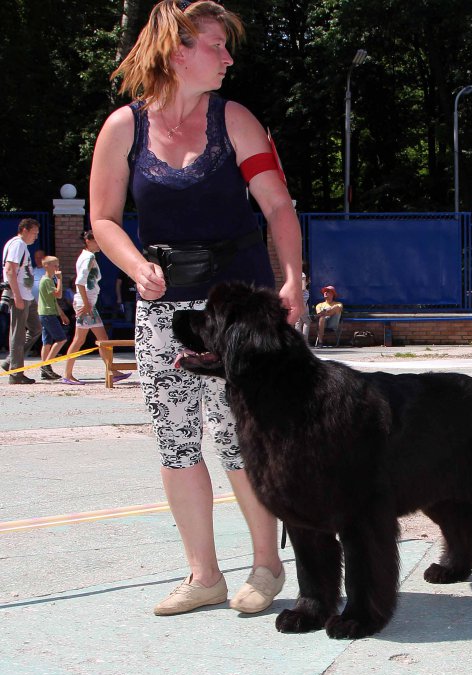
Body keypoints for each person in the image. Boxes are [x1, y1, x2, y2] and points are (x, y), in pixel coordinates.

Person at [89, 0, 303, 616]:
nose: (229, 58)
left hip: (239, 311)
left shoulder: (236, 120)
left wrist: (292, 278)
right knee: (176, 441)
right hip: (161, 313)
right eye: (217, 46)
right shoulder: (122, 129)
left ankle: (267, 565)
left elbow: (278, 208)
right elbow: (102, 219)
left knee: (242, 436)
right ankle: (203, 575)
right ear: (179, 52)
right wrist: (135, 265)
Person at [62, 230, 131, 386]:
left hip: (88, 303)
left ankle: (112, 371)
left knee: (103, 339)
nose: (100, 244)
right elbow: (79, 282)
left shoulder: (85, 256)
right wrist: (86, 304)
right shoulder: (89, 257)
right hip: (86, 303)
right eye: (98, 241)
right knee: (79, 340)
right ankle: (67, 374)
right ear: (89, 241)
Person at [1, 218, 41, 384]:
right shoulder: (18, 244)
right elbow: (10, 270)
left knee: (36, 328)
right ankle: (16, 373)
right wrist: (16, 296)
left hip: (26, 296)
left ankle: (11, 361)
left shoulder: (20, 245)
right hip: (20, 296)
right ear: (25, 229)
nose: (36, 237)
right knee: (17, 334)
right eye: (34, 233)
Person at [37, 256, 69, 380]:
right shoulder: (47, 280)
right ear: (46, 266)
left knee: (47, 342)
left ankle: (45, 371)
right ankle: (46, 365)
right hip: (48, 314)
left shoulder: (48, 280)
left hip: (47, 313)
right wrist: (60, 280)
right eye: (55, 265)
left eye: (58, 265)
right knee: (61, 339)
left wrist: (61, 314)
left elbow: (53, 300)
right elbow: (59, 295)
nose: (57, 268)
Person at [294, 269, 311, 341]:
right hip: (302, 302)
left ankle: (297, 340)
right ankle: (304, 341)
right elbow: (303, 288)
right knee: (307, 321)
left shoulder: (294, 273)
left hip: (296, 301)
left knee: (298, 321)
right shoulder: (302, 274)